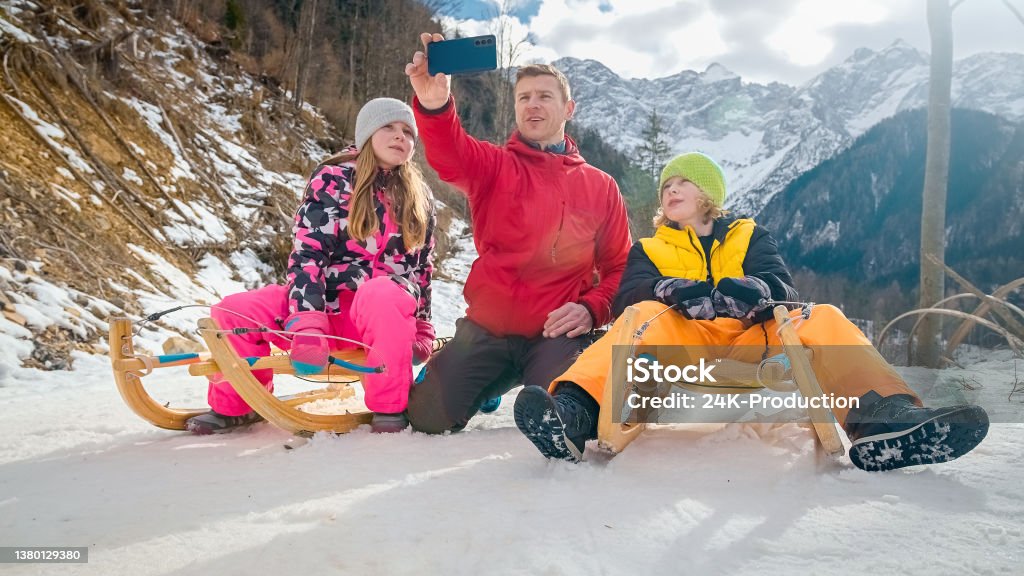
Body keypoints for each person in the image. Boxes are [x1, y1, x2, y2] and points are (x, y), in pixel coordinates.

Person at [514, 152, 990, 472]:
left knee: (821, 315)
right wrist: (674, 290)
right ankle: (574, 414)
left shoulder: (749, 235)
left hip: (752, 343)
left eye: (684, 182)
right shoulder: (650, 247)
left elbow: (782, 285)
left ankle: (886, 420)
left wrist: (751, 292)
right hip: (681, 344)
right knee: (638, 315)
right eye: (666, 186)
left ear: (708, 194)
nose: (671, 190)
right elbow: (629, 297)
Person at [403, 33, 633, 434]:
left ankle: (569, 374)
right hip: (486, 332)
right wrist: (434, 103)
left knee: (559, 414)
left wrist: (591, 309)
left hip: (555, 335)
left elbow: (620, 269)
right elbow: (450, 154)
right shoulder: (494, 166)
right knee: (425, 418)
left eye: (544, 96)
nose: (533, 105)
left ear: (568, 108)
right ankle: (491, 379)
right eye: (524, 97)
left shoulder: (601, 186)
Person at [185, 98, 436, 435]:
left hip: (382, 317)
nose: (399, 136)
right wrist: (307, 323)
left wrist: (422, 326)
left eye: (408, 132)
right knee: (234, 311)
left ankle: (389, 408)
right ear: (366, 134)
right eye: (388, 127)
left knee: (382, 293)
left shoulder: (419, 196)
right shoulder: (333, 179)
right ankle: (236, 405)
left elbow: (422, 269)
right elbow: (308, 254)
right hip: (324, 309)